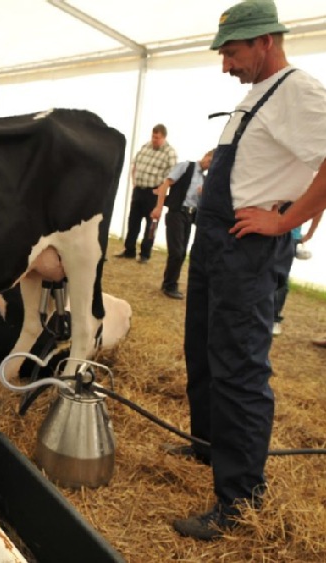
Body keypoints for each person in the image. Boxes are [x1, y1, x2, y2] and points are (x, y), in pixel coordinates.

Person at [170, 0, 326, 541]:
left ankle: (238, 500)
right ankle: (207, 445)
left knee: (238, 368)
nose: (224, 65)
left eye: (231, 53)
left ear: (264, 42)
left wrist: (286, 218)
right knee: (203, 348)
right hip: (216, 240)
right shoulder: (259, 94)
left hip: (247, 250)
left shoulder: (299, 90)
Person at [151, 150, 214, 299]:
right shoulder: (186, 166)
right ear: (206, 155)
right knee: (176, 251)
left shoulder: (205, 180)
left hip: (189, 215)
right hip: (176, 212)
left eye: (213, 164)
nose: (209, 165)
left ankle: (169, 283)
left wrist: (203, 194)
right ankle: (169, 285)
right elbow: (166, 183)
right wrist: (159, 207)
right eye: (210, 161)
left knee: (182, 252)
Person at [115, 124, 177, 263]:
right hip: (139, 191)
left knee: (151, 225)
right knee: (133, 222)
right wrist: (134, 181)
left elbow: (173, 176)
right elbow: (135, 165)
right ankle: (129, 250)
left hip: (154, 194)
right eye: (153, 136)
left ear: (164, 137)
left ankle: (145, 254)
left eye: (157, 138)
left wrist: (161, 189)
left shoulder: (170, 153)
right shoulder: (146, 146)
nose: (154, 140)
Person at [272, 212, 322, 335]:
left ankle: (274, 319)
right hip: (262, 228)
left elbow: (319, 204)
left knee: (280, 278)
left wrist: (310, 233)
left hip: (289, 235)